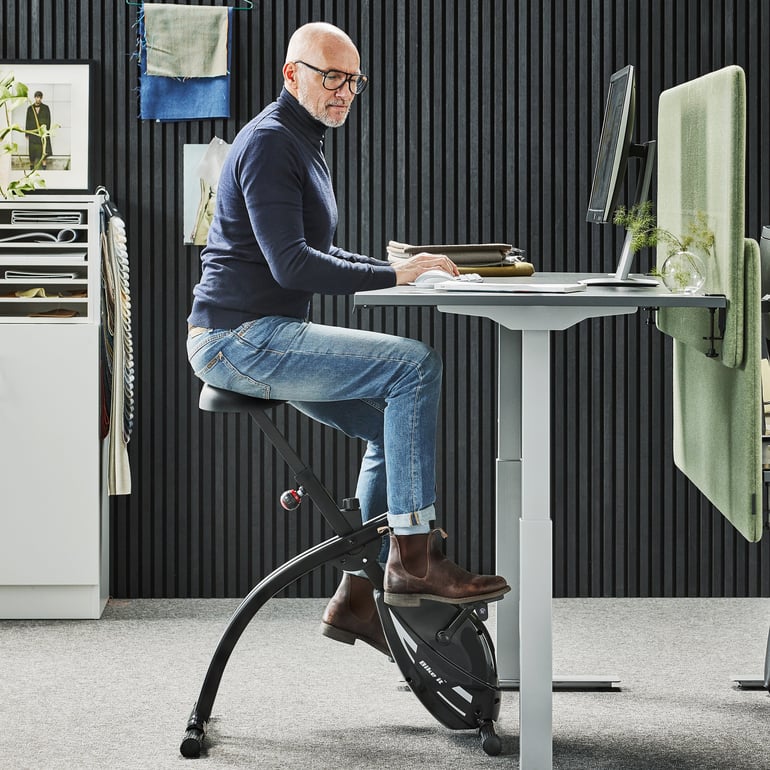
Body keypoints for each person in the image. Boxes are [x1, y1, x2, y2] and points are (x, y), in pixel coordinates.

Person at [186, 22, 509, 656]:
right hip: (238, 339)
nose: (343, 91)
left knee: (392, 423)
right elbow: (292, 266)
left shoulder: (302, 139)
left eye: (353, 81)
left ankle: (358, 597)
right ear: (291, 73)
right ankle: (412, 558)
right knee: (415, 366)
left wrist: (399, 265)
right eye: (330, 76)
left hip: (266, 334)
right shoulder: (271, 143)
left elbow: (317, 251)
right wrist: (395, 275)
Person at [25, 91, 52, 170]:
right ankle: (31, 164)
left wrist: (46, 131)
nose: (38, 99)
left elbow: (49, 120)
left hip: (42, 132)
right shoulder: (30, 108)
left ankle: (44, 165)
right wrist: (27, 133)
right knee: (32, 149)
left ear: (41, 98)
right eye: (37, 97)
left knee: (43, 148)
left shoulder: (46, 108)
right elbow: (27, 121)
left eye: (40, 97)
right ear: (35, 98)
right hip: (33, 132)